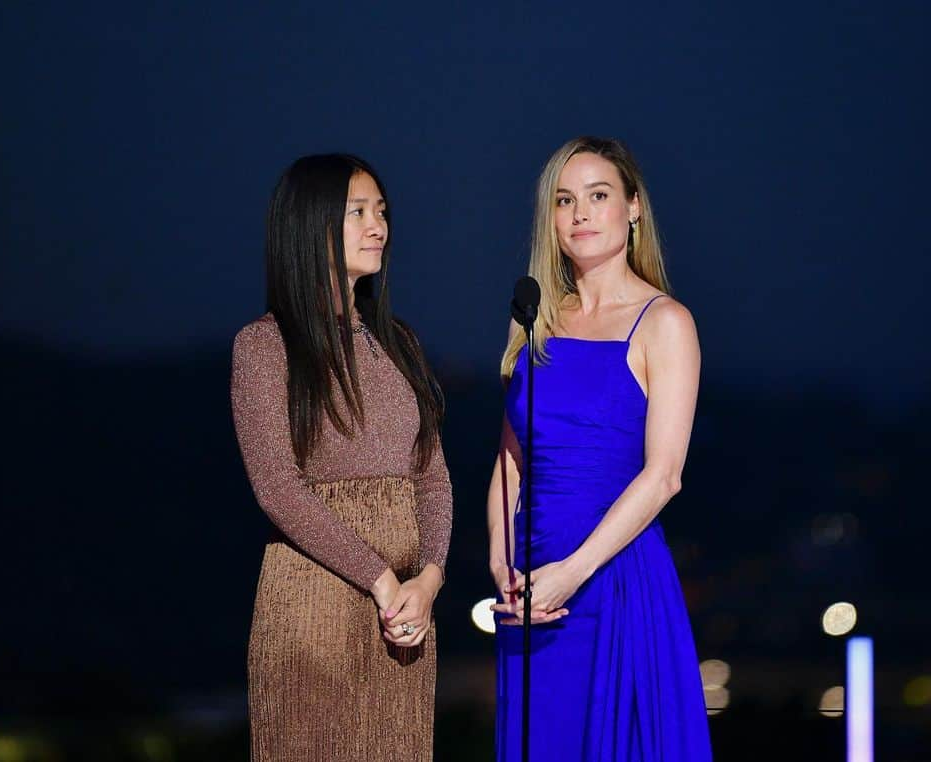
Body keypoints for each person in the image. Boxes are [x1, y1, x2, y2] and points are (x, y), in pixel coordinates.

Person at [488, 137, 712, 760]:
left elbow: (664, 476)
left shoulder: (665, 322)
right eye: (565, 200)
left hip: (611, 580)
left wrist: (571, 574)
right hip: (529, 590)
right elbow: (510, 461)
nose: (580, 213)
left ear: (634, 208)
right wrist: (502, 565)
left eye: (599, 195)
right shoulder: (535, 318)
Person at [231, 154, 452, 761]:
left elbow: (430, 475)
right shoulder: (265, 346)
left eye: (381, 211)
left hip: (404, 619)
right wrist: (381, 579)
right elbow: (276, 486)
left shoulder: (399, 341)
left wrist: (429, 578)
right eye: (358, 211)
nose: (378, 225)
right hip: (313, 612)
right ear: (311, 224)